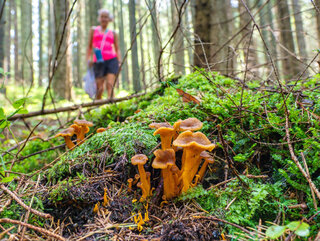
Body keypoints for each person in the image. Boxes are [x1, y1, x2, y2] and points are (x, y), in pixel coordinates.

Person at [86, 9, 121, 100]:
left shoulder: (113, 33)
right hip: (98, 61)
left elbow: (117, 48)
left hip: (111, 60)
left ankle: (111, 108)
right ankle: (98, 109)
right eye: (102, 16)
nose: (104, 19)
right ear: (99, 18)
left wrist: (119, 61)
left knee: (110, 86)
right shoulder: (94, 30)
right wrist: (88, 59)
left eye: (106, 17)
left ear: (109, 19)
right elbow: (89, 46)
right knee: (99, 89)